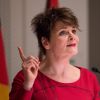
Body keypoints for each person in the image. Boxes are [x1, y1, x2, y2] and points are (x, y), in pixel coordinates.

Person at [9, 7, 100, 100]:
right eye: (63, 32)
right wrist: (28, 85)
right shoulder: (25, 77)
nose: (73, 37)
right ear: (46, 42)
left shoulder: (89, 78)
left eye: (73, 31)